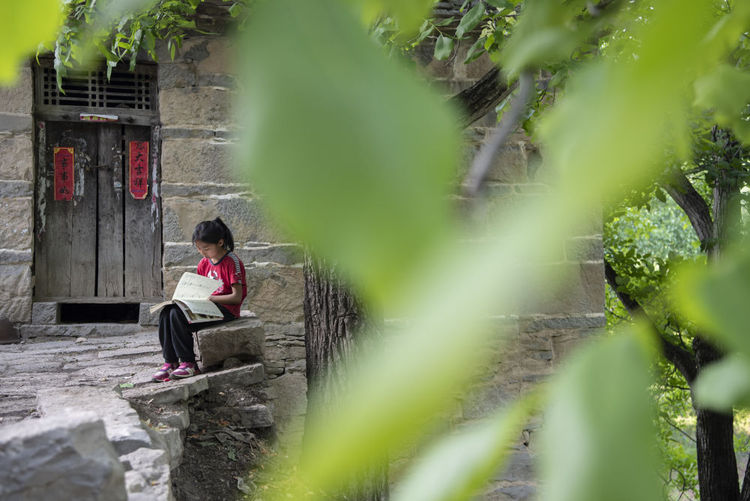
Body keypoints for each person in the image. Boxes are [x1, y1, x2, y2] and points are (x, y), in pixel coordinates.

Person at [152, 217, 247, 382]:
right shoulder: (204, 263)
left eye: (206, 248)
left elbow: (236, 297)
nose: (202, 252)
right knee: (167, 311)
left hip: (226, 310)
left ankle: (189, 363)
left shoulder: (232, 262)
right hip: (207, 306)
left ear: (220, 242)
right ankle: (171, 362)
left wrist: (212, 298)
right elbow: (200, 289)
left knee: (178, 316)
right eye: (199, 248)